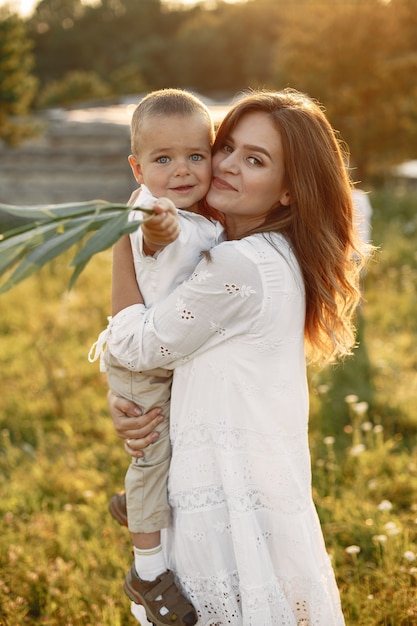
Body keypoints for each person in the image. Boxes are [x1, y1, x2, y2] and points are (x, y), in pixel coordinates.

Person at [106, 88, 368, 625]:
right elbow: (192, 358)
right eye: (226, 147)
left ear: (289, 189)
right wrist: (132, 401)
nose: (224, 165)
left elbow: (132, 345)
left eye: (255, 160)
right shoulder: (273, 251)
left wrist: (120, 243)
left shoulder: (239, 266)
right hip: (256, 495)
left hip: (225, 507)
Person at [89, 88, 224, 626]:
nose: (183, 170)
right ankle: (148, 573)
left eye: (196, 155)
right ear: (137, 168)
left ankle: (131, 502)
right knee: (152, 455)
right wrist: (157, 223)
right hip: (144, 361)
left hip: (159, 350)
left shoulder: (198, 211)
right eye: (163, 159)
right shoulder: (154, 210)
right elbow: (155, 229)